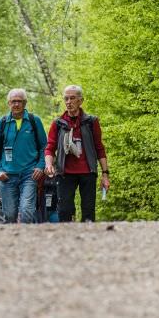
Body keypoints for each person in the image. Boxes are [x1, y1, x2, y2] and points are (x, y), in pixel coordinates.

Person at [44, 85, 110, 222]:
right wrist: (49, 164)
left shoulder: (91, 122)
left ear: (81, 101)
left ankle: (88, 241)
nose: (68, 102)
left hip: (88, 172)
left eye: (72, 98)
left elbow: (100, 149)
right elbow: (49, 148)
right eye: (66, 99)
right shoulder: (58, 123)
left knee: (88, 211)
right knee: (64, 211)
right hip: (64, 173)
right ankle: (68, 240)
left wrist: (105, 175)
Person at [0, 88, 47, 223]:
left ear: (25, 103)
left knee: (27, 210)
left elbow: (45, 147)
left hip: (29, 174)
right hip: (7, 176)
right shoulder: (1, 123)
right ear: (8, 103)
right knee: (9, 215)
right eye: (13, 101)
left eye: (19, 101)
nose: (16, 104)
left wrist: (40, 166)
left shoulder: (34, 121)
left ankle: (26, 241)